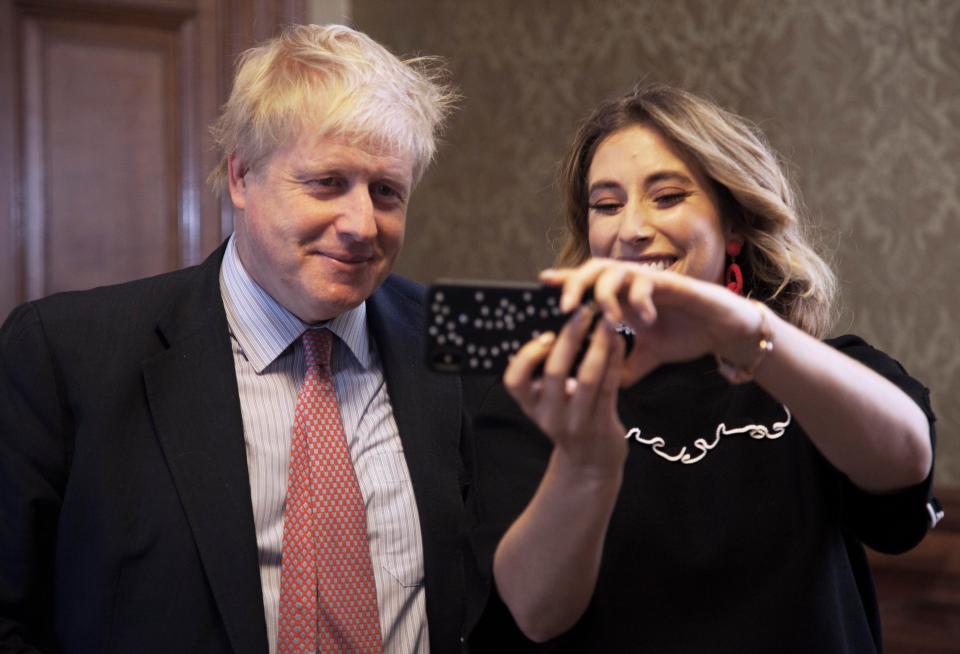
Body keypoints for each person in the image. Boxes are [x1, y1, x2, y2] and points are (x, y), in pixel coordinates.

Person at [0, 24, 466, 654]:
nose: (361, 225)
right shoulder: (63, 355)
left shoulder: (452, 342)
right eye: (327, 182)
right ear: (243, 178)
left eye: (386, 192)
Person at [465, 84, 936, 653]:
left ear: (733, 222)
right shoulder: (550, 389)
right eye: (607, 205)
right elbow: (537, 614)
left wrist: (745, 332)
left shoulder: (822, 371)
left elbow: (905, 465)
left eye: (666, 196)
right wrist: (586, 466)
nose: (632, 229)